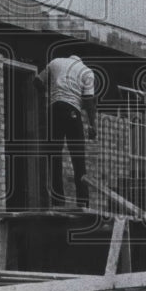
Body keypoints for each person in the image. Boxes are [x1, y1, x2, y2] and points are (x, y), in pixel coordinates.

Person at [36, 50, 98, 208]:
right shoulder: (87, 72)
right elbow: (89, 101)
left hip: (54, 110)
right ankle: (83, 203)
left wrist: (45, 95)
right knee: (78, 158)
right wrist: (92, 125)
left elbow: (37, 81)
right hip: (72, 111)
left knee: (54, 156)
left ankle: (58, 201)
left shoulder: (55, 62)